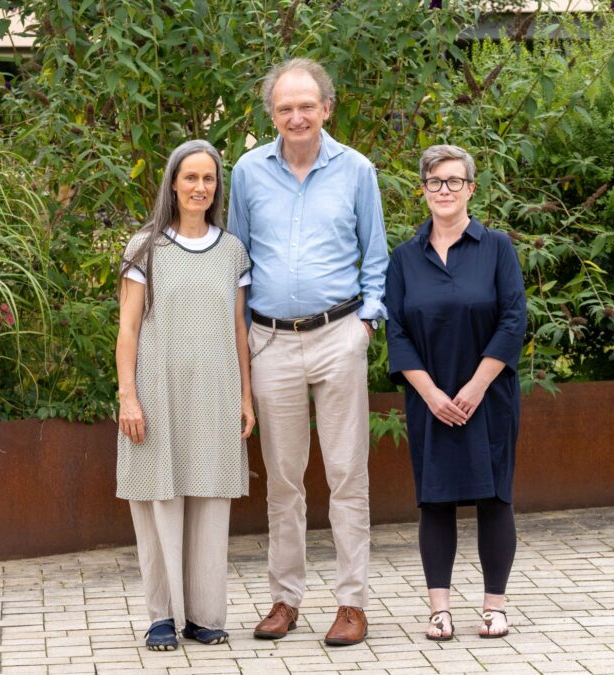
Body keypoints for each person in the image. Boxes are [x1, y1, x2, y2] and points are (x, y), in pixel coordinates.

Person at [228, 58, 388, 647]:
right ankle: (284, 599)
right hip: (270, 342)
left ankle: (351, 604)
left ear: (327, 107)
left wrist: (365, 327)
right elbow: (237, 264)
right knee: (283, 480)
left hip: (338, 335)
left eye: (305, 106)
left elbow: (376, 258)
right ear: (273, 114)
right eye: (284, 108)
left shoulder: (357, 171)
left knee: (348, 475)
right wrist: (243, 341)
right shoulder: (247, 172)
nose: (295, 117)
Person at [116, 139, 255, 651]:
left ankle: (204, 615)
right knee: (159, 499)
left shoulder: (232, 250)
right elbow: (128, 329)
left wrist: (245, 395)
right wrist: (128, 396)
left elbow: (239, 328)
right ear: (173, 183)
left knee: (211, 502)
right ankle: (162, 616)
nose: (200, 187)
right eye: (190, 177)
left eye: (209, 179)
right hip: (157, 389)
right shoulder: (146, 247)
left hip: (216, 389)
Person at [384, 144, 527, 641]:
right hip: (430, 400)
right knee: (436, 501)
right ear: (422, 191)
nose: (444, 190)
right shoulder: (404, 258)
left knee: (494, 499)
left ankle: (494, 607)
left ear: (471, 188)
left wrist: (474, 387)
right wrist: (431, 394)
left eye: (454, 181)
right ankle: (439, 610)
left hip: (489, 396)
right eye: (434, 182)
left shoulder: (497, 248)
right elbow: (396, 332)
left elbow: (513, 320)